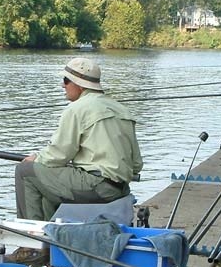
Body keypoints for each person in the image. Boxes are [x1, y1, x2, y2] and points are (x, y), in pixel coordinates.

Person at [14, 57, 143, 222]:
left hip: (96, 187)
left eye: (66, 80)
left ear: (79, 84)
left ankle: (29, 238)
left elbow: (59, 154)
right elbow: (136, 165)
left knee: (25, 172)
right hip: (120, 189)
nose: (63, 85)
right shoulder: (122, 110)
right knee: (45, 186)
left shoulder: (76, 109)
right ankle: (49, 239)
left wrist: (36, 158)